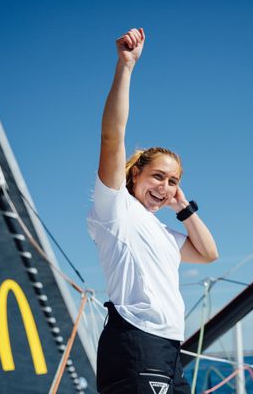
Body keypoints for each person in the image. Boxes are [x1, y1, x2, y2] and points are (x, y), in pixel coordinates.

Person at [87, 28, 219, 394]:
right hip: (135, 342)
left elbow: (209, 254)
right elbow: (112, 137)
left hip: (168, 349)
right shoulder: (117, 209)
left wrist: (183, 205)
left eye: (173, 180)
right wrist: (125, 67)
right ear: (134, 174)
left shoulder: (164, 234)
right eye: (157, 176)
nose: (164, 186)